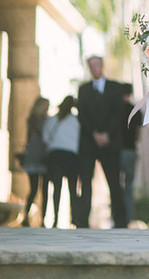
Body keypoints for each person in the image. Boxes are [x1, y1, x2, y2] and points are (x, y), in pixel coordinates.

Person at [76, 55, 127, 228]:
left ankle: (120, 222)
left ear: (102, 66)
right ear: (89, 68)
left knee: (114, 183)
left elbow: (119, 113)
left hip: (110, 143)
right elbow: (82, 115)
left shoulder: (115, 87)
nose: (95, 68)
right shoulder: (83, 90)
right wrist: (95, 134)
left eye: (97, 64)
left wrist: (107, 134)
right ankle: (82, 222)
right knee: (85, 183)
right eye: (92, 65)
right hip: (89, 143)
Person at [43, 95, 80, 228]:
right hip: (71, 156)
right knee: (72, 189)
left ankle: (55, 218)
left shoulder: (52, 120)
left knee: (56, 189)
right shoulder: (77, 121)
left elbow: (45, 138)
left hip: (55, 155)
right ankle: (74, 218)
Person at [21, 96, 50, 227]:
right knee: (34, 189)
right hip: (36, 155)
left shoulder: (45, 120)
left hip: (42, 156)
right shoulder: (34, 120)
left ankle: (42, 218)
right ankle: (27, 215)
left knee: (43, 189)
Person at [120, 83, 141, 225]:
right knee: (128, 186)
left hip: (117, 151)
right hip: (131, 150)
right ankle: (127, 217)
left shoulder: (116, 109)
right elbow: (138, 133)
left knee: (116, 185)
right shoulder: (136, 111)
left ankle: (117, 216)